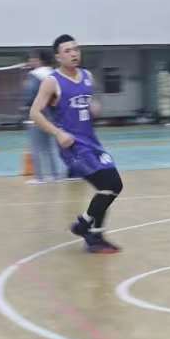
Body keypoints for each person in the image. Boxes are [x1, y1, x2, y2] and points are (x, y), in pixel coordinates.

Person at [30, 34, 123, 254]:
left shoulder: (87, 76)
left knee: (109, 187)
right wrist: (58, 133)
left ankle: (93, 235)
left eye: (76, 49)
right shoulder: (52, 82)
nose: (73, 54)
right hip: (72, 147)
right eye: (67, 51)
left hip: (92, 142)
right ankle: (85, 227)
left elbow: (89, 102)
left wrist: (94, 107)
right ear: (58, 57)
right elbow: (35, 113)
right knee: (110, 184)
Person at [23, 49, 66, 183]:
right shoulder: (55, 74)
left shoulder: (34, 75)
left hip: (38, 116)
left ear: (38, 60)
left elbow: (29, 97)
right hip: (53, 117)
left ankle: (39, 177)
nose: (30, 61)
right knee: (51, 148)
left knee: (36, 148)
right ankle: (56, 175)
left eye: (32, 58)